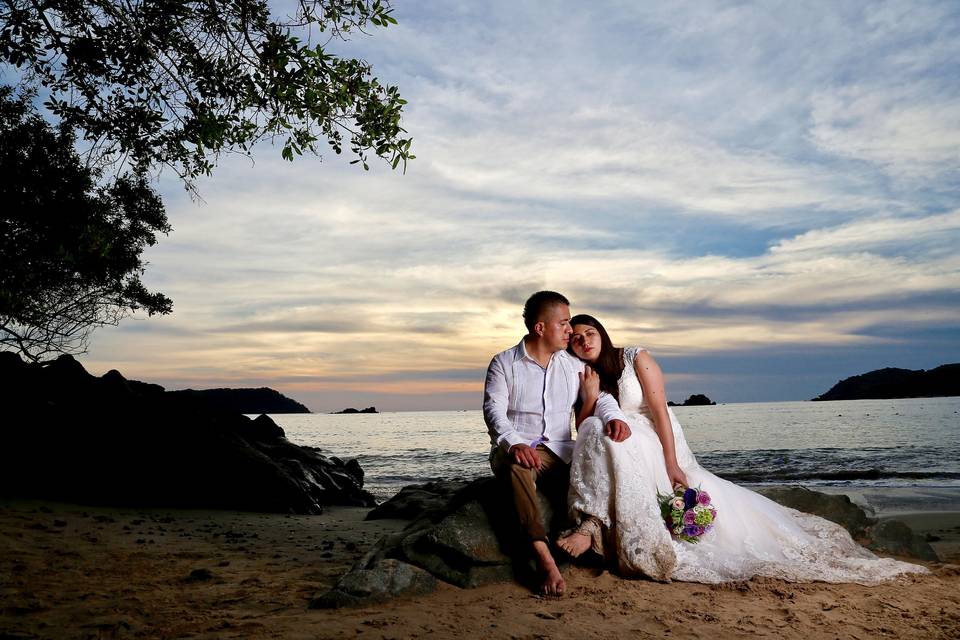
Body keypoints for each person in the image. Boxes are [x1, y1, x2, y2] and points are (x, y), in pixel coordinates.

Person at [556, 313, 929, 584]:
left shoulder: (634, 357)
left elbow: (659, 412)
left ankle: (595, 525)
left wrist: (672, 463)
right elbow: (583, 426)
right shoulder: (582, 376)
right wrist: (589, 396)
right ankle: (595, 526)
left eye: (591, 333)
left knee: (623, 445)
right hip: (618, 438)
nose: (585, 341)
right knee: (599, 434)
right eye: (577, 338)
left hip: (654, 437)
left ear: (602, 335)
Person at [483, 292, 631, 595]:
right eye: (563, 323)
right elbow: (493, 410)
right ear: (540, 328)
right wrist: (513, 444)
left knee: (606, 459)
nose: (569, 330)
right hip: (517, 448)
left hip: (561, 451)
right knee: (516, 469)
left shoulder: (571, 364)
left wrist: (615, 416)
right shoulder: (504, 363)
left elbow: (600, 396)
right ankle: (545, 558)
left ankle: (588, 533)